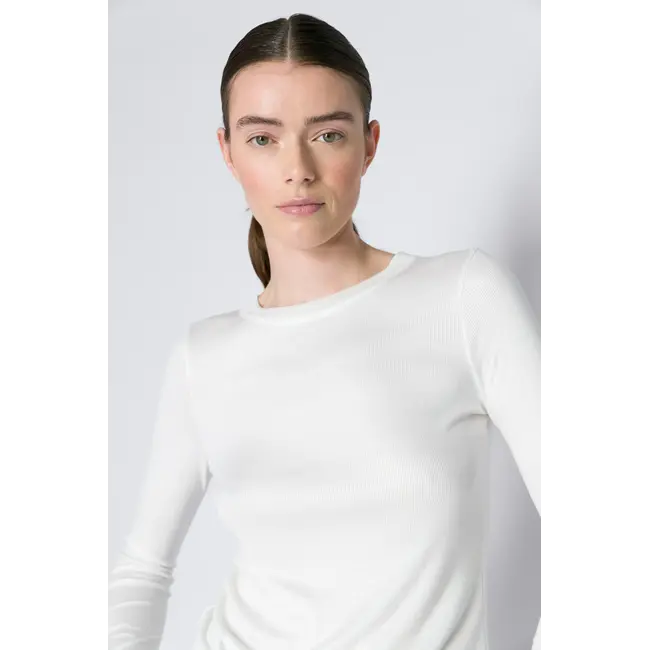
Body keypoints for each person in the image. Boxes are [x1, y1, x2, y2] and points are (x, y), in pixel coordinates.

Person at [104, 13, 544, 650]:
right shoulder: (205, 357)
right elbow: (142, 572)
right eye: (263, 138)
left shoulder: (461, 297)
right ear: (228, 152)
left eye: (328, 135)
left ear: (369, 144)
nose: (298, 169)